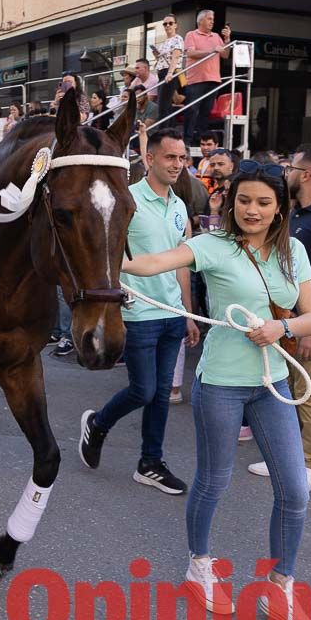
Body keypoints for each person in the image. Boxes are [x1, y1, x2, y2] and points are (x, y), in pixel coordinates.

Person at [120, 159, 311, 620]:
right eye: (244, 200)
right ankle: (200, 566)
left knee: (294, 491)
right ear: (231, 202)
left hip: (273, 382)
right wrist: (106, 255)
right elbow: (150, 264)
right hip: (222, 382)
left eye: (263, 202)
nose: (252, 210)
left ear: (280, 208)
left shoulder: (293, 250)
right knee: (214, 481)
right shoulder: (212, 245)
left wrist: (284, 327)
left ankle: (280, 587)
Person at [79, 128, 201, 495]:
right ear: (150, 158)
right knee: (144, 390)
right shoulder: (126, 199)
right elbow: (108, 251)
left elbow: (182, 263)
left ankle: (150, 462)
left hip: (171, 314)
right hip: (136, 313)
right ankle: (98, 423)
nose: (177, 164)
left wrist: (189, 313)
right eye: (170, 157)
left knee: (161, 394)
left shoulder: (180, 206)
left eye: (182, 158)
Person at [249, 144, 311, 492]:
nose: (285, 173)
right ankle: (286, 456)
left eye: (290, 168)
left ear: (305, 175)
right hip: (286, 319)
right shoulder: (298, 213)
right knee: (285, 387)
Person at [181, 9, 231, 145]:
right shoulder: (191, 34)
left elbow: (225, 54)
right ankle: (187, 140)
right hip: (195, 79)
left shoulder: (216, 36)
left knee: (205, 111)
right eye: (209, 19)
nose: (212, 22)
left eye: (213, 19)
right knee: (192, 110)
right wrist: (211, 51)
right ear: (200, 20)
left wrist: (227, 40)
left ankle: (201, 140)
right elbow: (191, 53)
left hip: (213, 79)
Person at [152, 14, 185, 120]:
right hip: (162, 72)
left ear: (176, 25)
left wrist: (170, 73)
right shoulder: (165, 42)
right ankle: (167, 131)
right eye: (165, 24)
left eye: (170, 23)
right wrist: (157, 55)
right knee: (164, 105)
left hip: (170, 72)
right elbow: (162, 60)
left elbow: (175, 58)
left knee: (163, 106)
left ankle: (163, 133)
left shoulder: (177, 39)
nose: (167, 26)